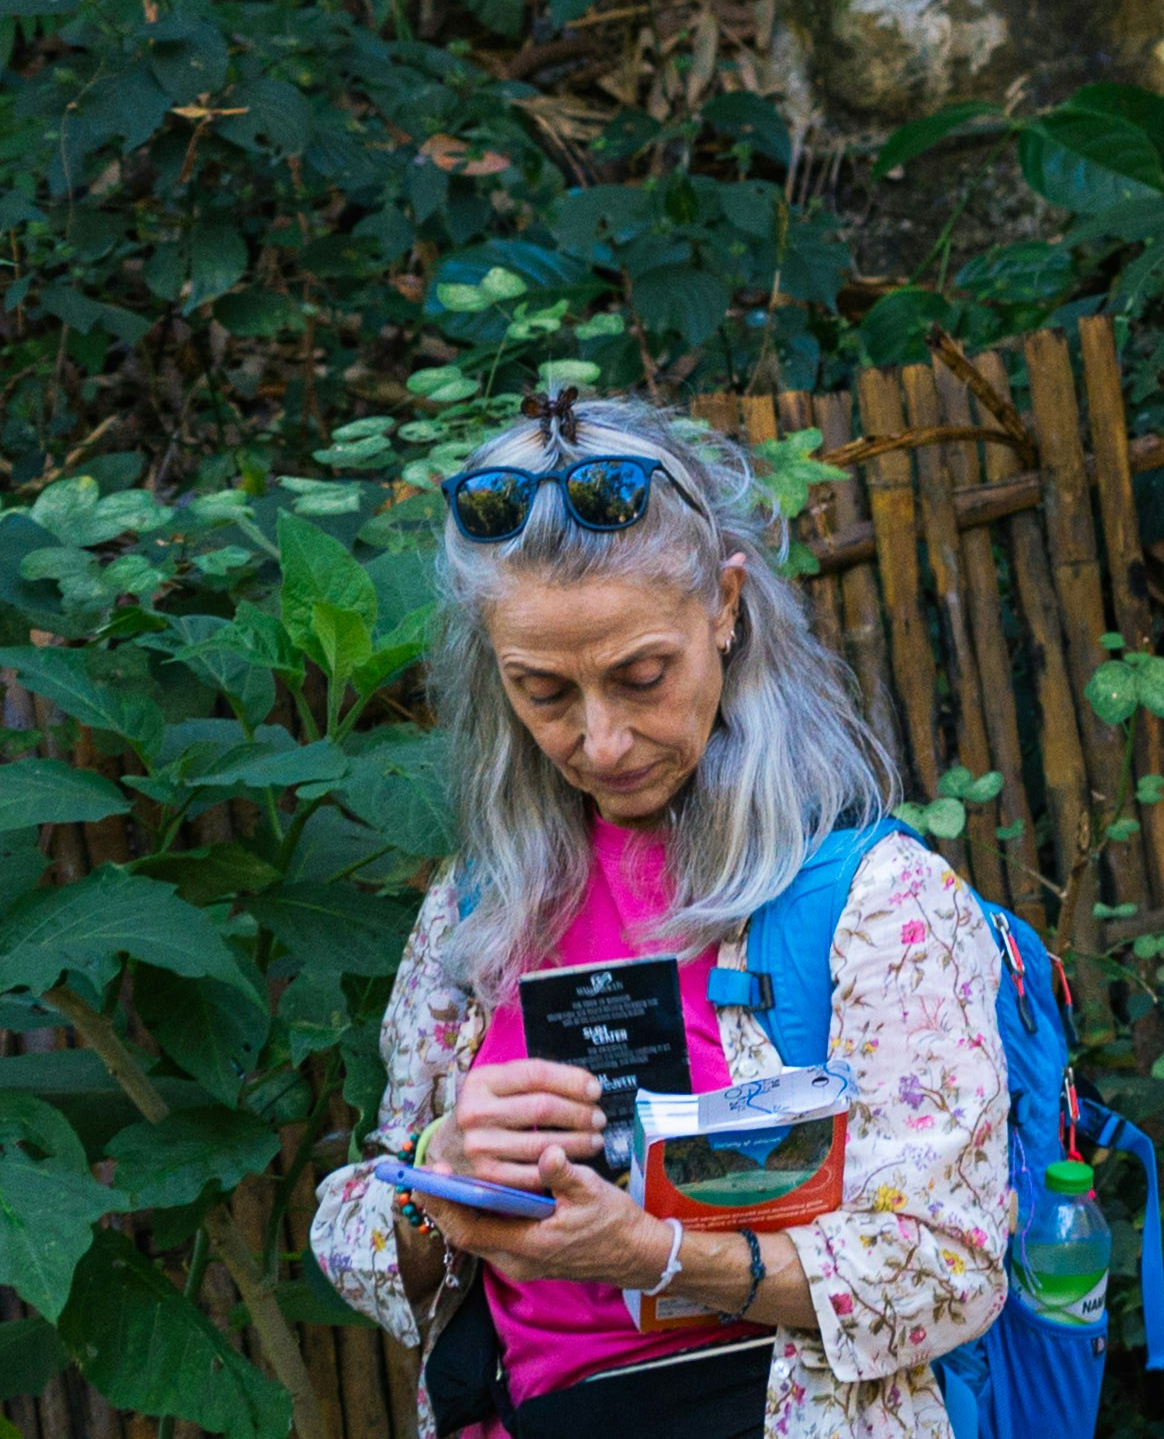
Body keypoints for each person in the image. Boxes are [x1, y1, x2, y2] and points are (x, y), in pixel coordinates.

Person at [309, 396, 1017, 1439]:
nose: (600, 740)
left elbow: (950, 1273)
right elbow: (360, 1230)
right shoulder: (478, 906)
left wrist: (658, 1258)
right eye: (543, 691)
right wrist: (439, 1178)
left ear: (725, 607)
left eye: (642, 676)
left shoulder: (875, 905)